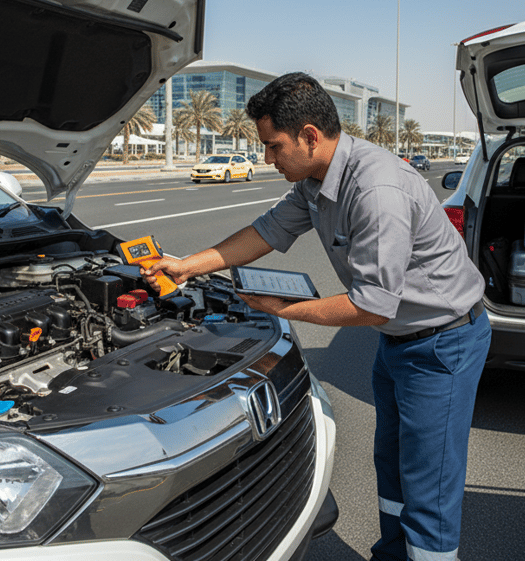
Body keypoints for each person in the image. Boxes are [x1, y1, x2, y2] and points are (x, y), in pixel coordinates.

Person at [142, 72, 491, 561]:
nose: (266, 158)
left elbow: (370, 305)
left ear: (310, 136)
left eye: (273, 145)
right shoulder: (314, 178)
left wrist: (283, 308)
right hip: (398, 341)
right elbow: (266, 230)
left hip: (442, 343)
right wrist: (186, 266)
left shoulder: (376, 191)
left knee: (429, 484)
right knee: (391, 466)